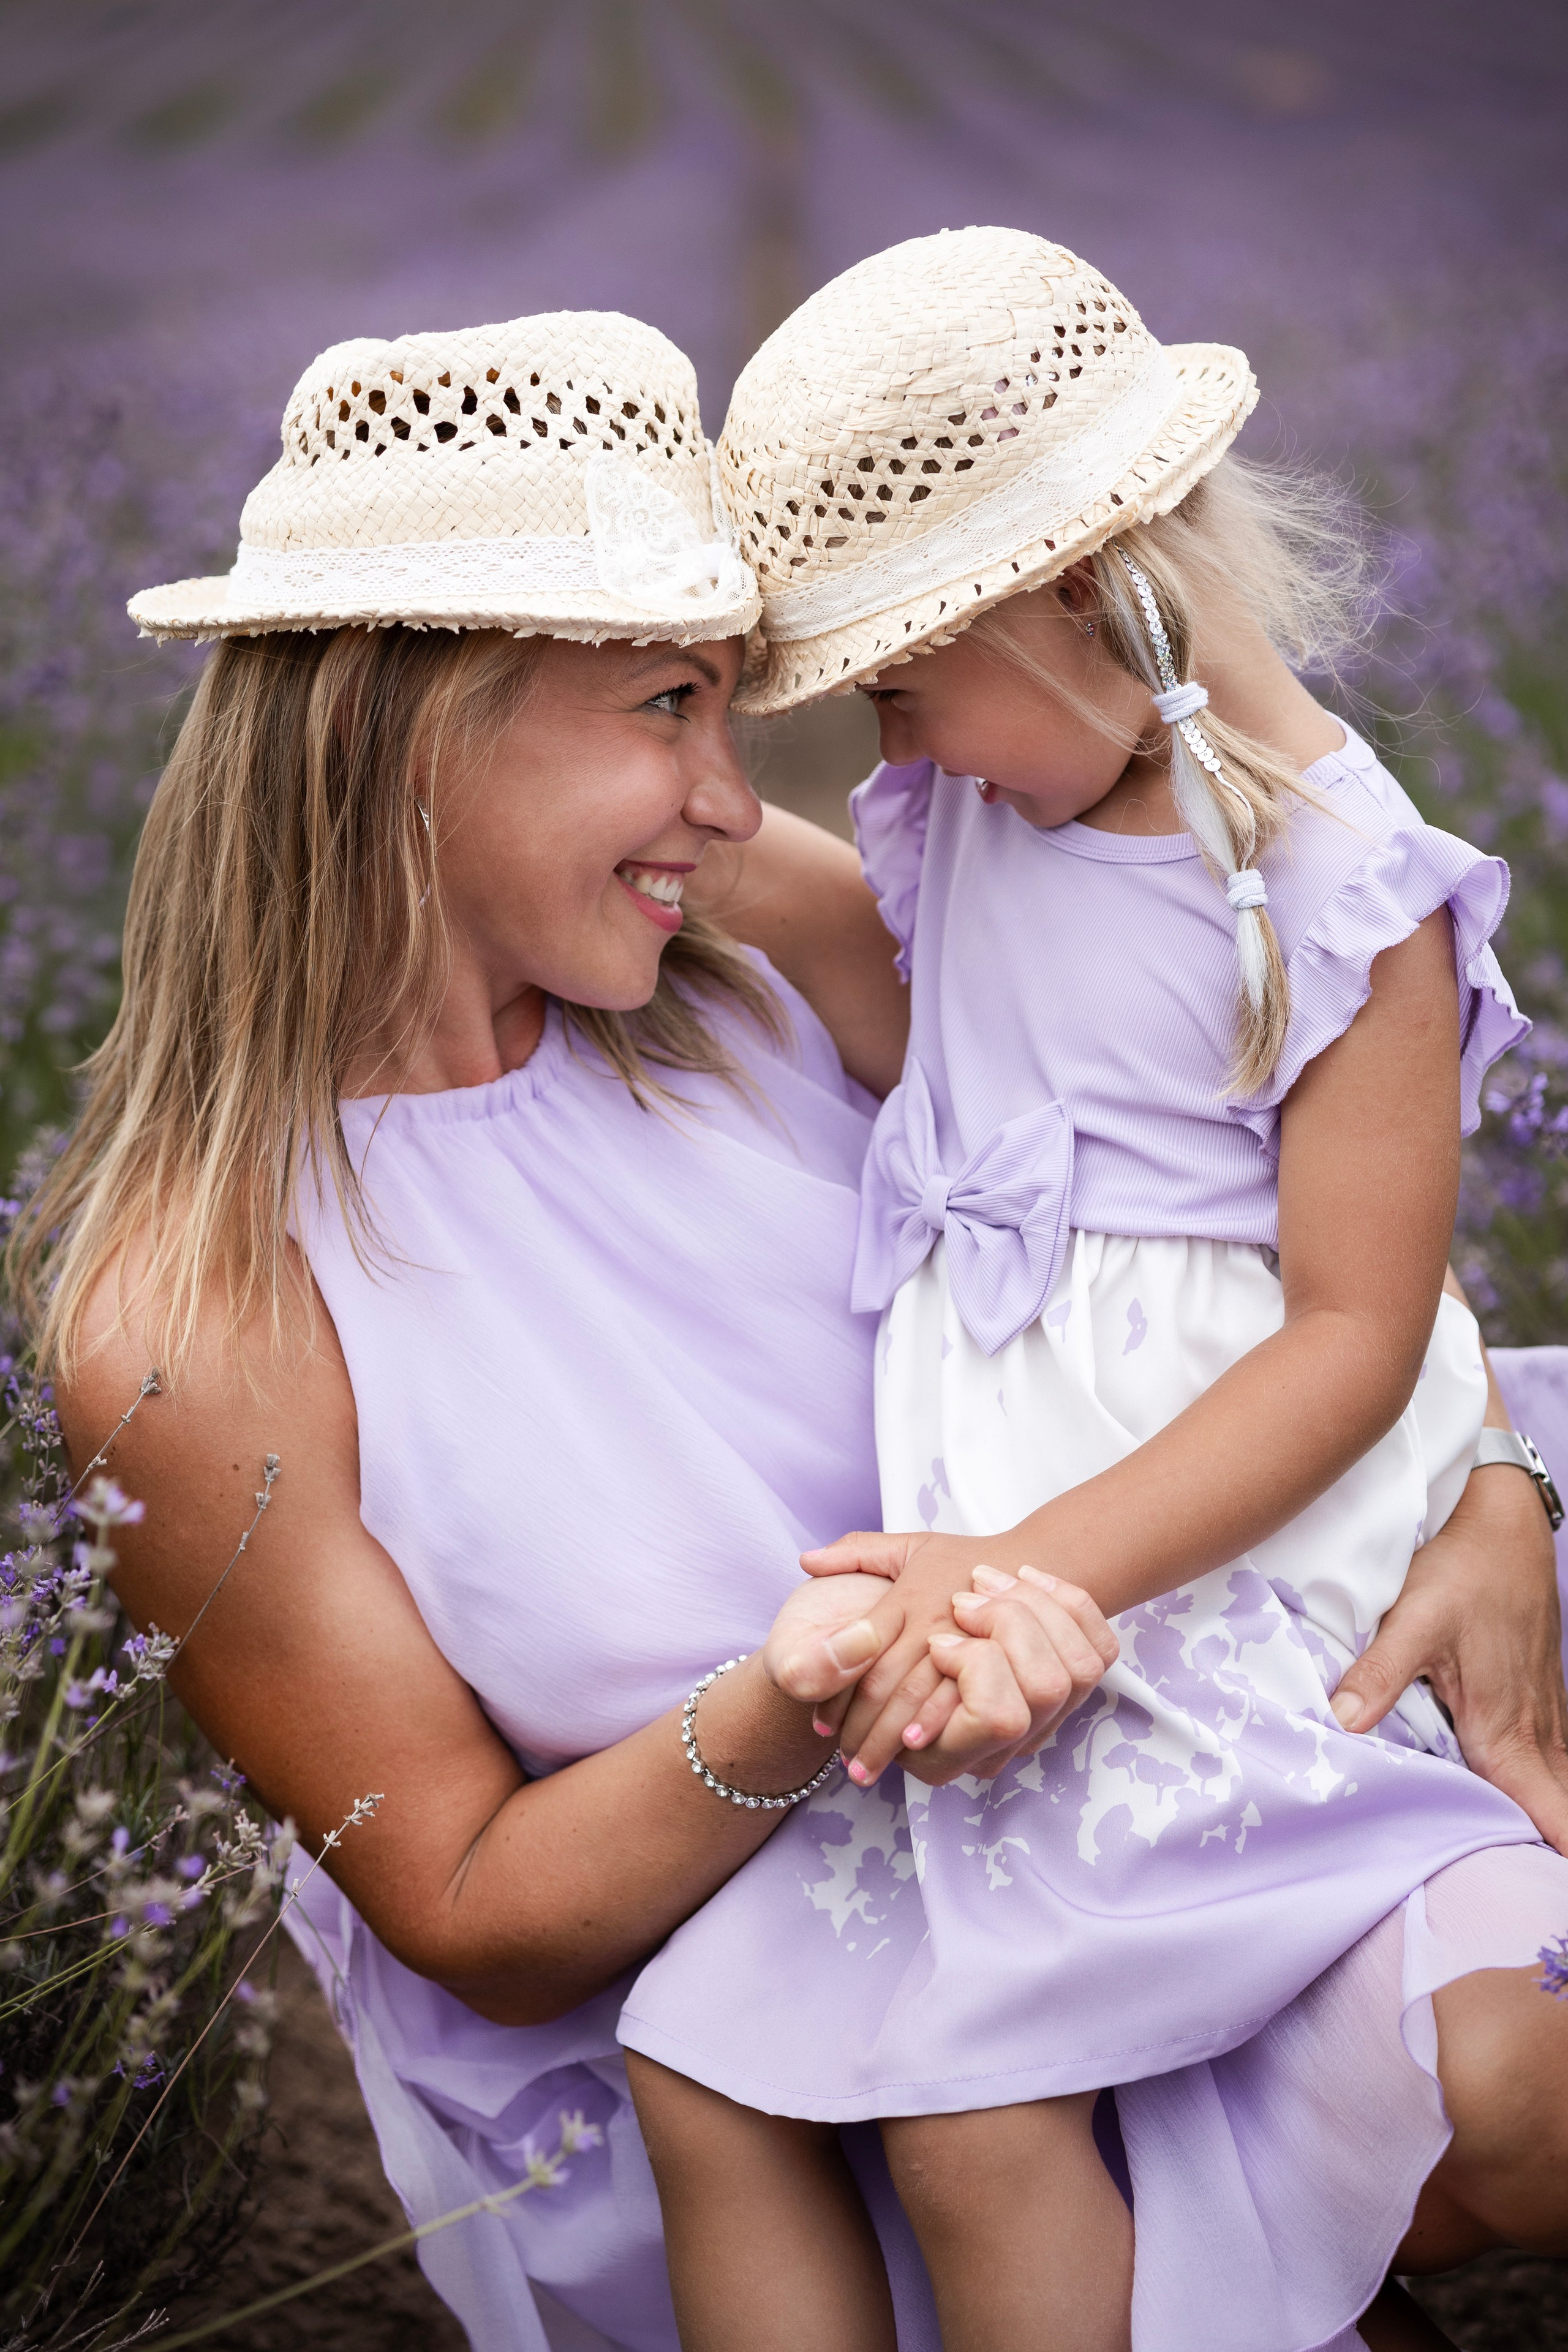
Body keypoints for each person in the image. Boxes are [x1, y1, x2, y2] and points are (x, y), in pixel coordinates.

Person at [10, 300, 1564, 2352]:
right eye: (671, 701)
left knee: (1528, 2091)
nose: (733, 801)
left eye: (738, 708)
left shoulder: (763, 948)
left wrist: (1495, 1487)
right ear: (406, 717)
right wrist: (792, 1699)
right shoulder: (189, 1306)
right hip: (739, 2078)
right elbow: (475, 1922)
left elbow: (1235, 1226)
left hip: (1142, 1790)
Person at [615, 229, 1568, 2352]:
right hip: (1015, 1572)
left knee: (1060, 2046)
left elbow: (1350, 1338)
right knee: (960, 2109)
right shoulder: (979, 811)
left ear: (1083, 597)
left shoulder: (1344, 891)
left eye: (898, 681)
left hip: (1203, 1566)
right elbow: (806, 913)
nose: (897, 740)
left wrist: (1020, 1571)